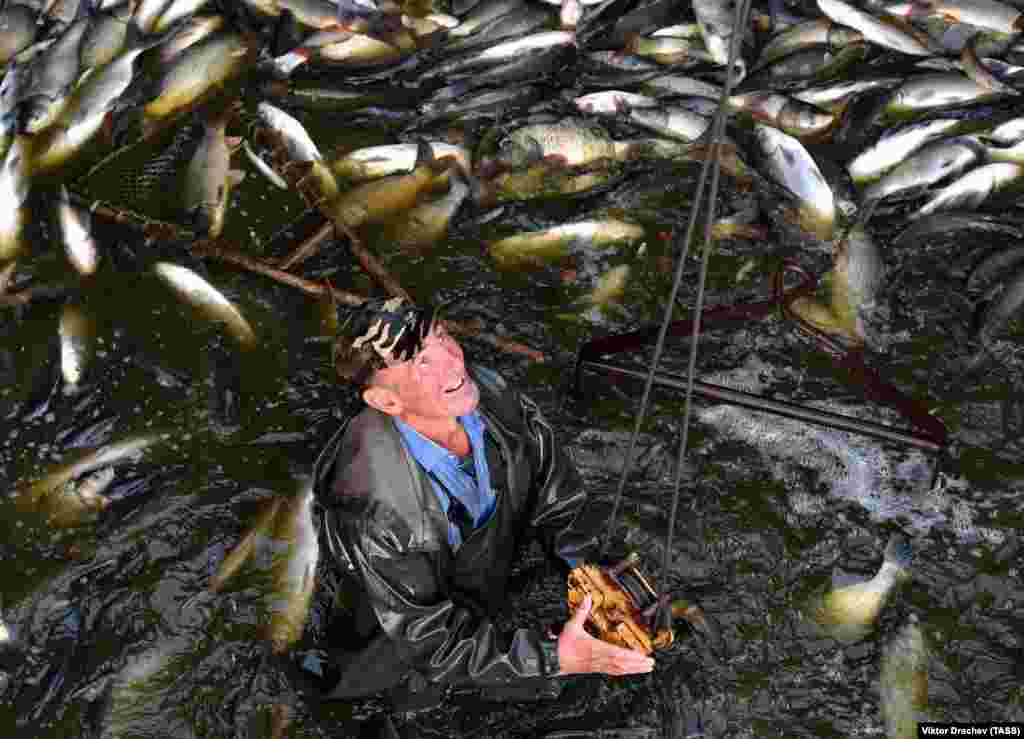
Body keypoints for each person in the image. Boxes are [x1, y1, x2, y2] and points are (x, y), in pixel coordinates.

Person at [309, 296, 654, 731]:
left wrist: (588, 573)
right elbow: (429, 639)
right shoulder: (375, 507)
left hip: (474, 587)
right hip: (398, 643)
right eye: (420, 363)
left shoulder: (487, 394)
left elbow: (553, 487)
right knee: (411, 710)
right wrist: (552, 658)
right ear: (387, 402)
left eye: (443, 337)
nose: (453, 363)